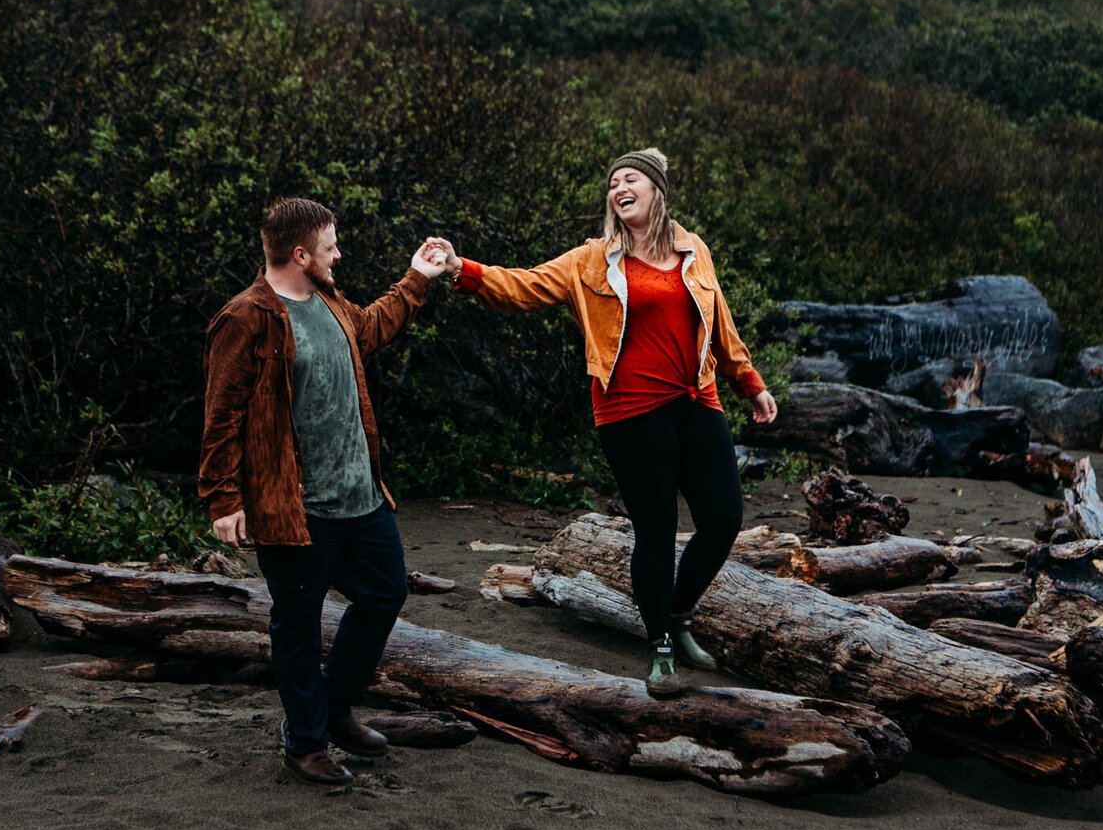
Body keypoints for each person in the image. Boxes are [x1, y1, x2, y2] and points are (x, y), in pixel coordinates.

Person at [428, 148, 777, 697]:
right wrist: (460, 270)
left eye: (630, 178)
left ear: (656, 190)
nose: (619, 188)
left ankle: (679, 613)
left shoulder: (693, 249)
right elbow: (522, 286)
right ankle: (660, 642)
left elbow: (721, 323)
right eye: (613, 183)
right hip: (631, 410)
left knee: (724, 519)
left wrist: (750, 383)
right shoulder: (590, 260)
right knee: (656, 531)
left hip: (697, 399)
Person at [199, 196, 451, 785]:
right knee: (298, 622)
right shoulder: (245, 318)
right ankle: (306, 740)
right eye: (331, 246)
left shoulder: (331, 302)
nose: (339, 254)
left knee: (385, 595)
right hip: (296, 509)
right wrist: (224, 499)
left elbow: (373, 328)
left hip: (361, 499)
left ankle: (334, 708)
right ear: (300, 252)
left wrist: (418, 277)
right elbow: (221, 416)